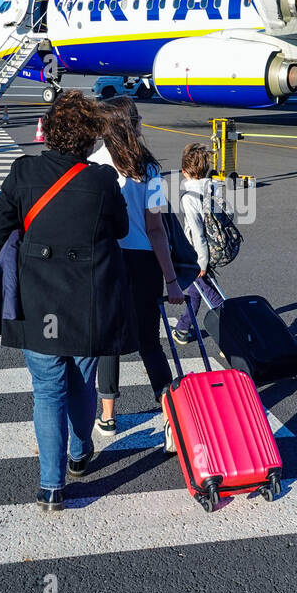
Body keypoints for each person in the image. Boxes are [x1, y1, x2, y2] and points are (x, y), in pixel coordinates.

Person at [0, 91, 129, 512]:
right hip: (87, 297)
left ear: (47, 130)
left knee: (47, 390)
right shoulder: (101, 180)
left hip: (37, 297)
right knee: (82, 380)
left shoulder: (24, 170)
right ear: (88, 139)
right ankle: (81, 453)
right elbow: (118, 229)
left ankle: (52, 487)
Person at [89, 96, 184, 434]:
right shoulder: (152, 169)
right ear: (129, 124)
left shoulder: (93, 163)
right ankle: (172, 414)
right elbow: (157, 229)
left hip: (109, 260)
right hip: (145, 262)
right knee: (150, 340)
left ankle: (108, 414)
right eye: (138, 117)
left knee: (108, 339)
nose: (142, 121)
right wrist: (171, 279)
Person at [171, 141, 225, 344]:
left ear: (184, 171)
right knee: (196, 291)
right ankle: (183, 328)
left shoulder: (189, 197)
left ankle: (229, 338)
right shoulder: (214, 187)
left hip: (198, 253)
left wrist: (201, 262)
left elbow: (197, 232)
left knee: (212, 296)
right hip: (216, 247)